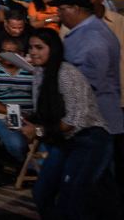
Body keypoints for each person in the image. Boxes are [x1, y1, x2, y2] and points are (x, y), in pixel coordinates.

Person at [22, 27, 114, 218]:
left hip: (88, 140)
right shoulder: (40, 73)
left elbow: (73, 121)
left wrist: (38, 131)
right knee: (42, 193)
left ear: (53, 49)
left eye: (39, 47)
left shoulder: (67, 74)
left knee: (71, 197)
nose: (33, 52)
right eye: (30, 47)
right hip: (63, 140)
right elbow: (44, 110)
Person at [54, 0, 123, 136]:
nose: (58, 14)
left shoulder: (93, 38)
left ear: (76, 9)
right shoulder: (84, 32)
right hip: (88, 123)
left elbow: (88, 84)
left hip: (97, 125)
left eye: (61, 9)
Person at [0, 36, 35, 173]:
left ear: (21, 54)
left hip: (30, 114)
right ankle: (28, 167)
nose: (7, 55)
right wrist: (13, 113)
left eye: (12, 52)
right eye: (4, 51)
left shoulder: (31, 71)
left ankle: (34, 169)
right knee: (17, 143)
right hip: (2, 114)